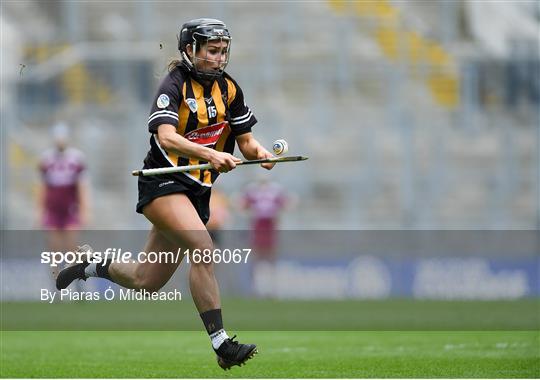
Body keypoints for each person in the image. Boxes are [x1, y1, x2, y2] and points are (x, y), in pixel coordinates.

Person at [56, 18, 274, 370]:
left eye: (223, 52)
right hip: (163, 185)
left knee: (146, 281)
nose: (219, 59)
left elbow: (245, 141)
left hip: (196, 193)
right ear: (190, 50)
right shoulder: (173, 85)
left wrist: (261, 154)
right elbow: (167, 137)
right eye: (212, 51)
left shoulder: (230, 90)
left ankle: (91, 266)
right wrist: (211, 154)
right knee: (202, 247)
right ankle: (221, 344)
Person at [37, 122, 90, 281]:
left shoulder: (76, 159)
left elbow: (82, 187)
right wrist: (40, 211)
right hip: (53, 211)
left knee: (73, 246)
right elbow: (42, 187)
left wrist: (85, 210)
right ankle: (56, 285)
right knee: (53, 250)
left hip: (70, 210)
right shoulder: (46, 159)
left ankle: (78, 281)